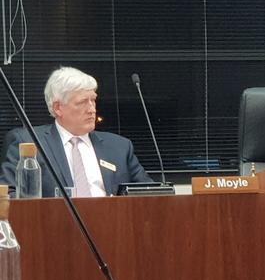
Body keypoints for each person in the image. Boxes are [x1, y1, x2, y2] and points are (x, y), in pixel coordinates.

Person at [0, 66, 152, 197]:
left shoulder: (119, 147)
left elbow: (149, 193)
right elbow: (9, 194)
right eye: (82, 102)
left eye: (93, 100)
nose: (92, 109)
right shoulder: (30, 142)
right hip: (52, 226)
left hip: (112, 226)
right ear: (58, 108)